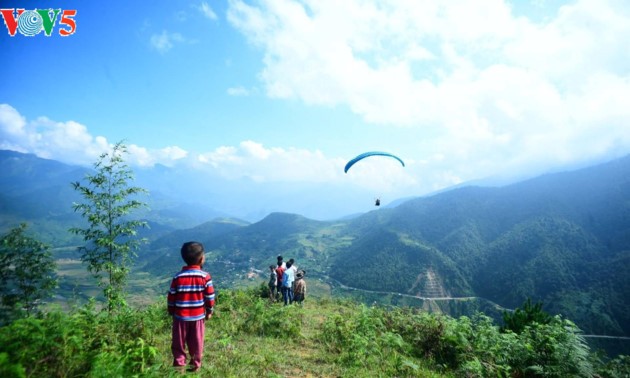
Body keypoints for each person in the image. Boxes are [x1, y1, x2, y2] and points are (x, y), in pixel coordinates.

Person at [167, 241, 216, 373]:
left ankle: (179, 367)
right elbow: (210, 297)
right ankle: (195, 367)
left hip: (180, 319)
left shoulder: (177, 277)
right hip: (197, 318)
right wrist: (209, 311)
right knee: (197, 343)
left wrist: (171, 311)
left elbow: (171, 297)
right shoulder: (205, 277)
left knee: (178, 344)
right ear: (201, 259)